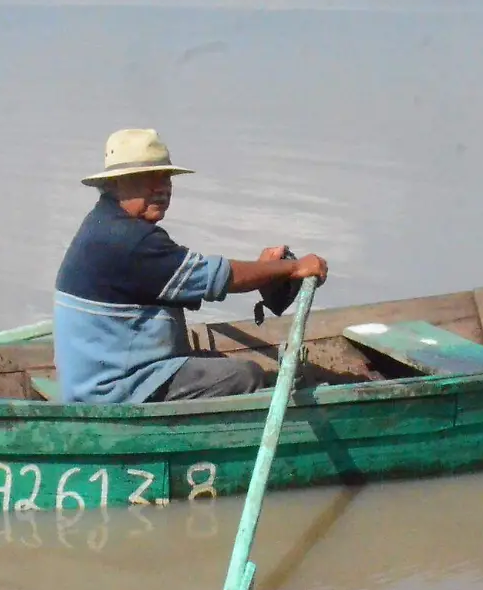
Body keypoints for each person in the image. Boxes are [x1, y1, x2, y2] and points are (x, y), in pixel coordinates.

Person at [53, 128, 329, 404]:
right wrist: (291, 268)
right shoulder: (130, 240)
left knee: (214, 365)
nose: (161, 187)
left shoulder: (101, 223)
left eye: (165, 177)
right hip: (116, 391)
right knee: (247, 375)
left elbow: (193, 277)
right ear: (115, 184)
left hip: (90, 384)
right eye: (146, 178)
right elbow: (219, 278)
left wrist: (261, 270)